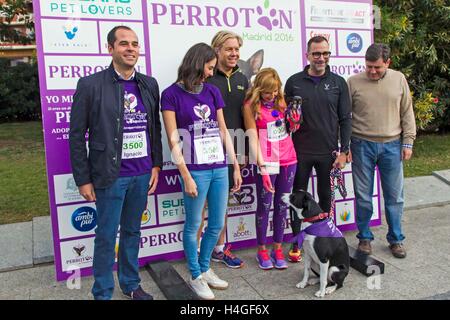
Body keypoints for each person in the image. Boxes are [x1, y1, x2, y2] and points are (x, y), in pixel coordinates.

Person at [69, 26, 162, 300]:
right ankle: (103, 292)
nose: (131, 48)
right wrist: (83, 178)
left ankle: (131, 284)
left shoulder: (149, 83)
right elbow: (76, 136)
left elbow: (153, 127)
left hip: (142, 173)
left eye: (135, 44)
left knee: (133, 231)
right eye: (124, 44)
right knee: (107, 236)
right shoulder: (90, 85)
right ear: (110, 48)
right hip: (110, 176)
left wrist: (155, 164)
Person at [161, 42, 242, 300]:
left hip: (219, 166)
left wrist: (235, 163)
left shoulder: (212, 91)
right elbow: (173, 139)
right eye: (208, 68)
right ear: (197, 64)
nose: (210, 73)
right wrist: (185, 174)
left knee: (217, 223)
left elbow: (222, 130)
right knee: (194, 223)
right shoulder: (171, 94)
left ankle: (205, 268)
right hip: (194, 169)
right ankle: (195, 275)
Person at [284, 36, 352, 263]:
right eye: (316, 54)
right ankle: (297, 243)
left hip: (329, 153)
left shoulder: (338, 82)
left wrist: (344, 151)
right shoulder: (294, 82)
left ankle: (324, 240)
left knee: (325, 199)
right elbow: (285, 121)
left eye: (325, 53)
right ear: (307, 55)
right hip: (299, 152)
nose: (321, 58)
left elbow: (345, 119)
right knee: (297, 199)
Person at [347, 43, 416, 258]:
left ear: (388, 63)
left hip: (393, 146)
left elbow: (407, 111)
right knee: (363, 196)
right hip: (361, 145)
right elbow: (345, 117)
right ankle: (365, 238)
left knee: (395, 197)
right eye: (369, 67)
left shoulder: (399, 79)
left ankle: (396, 239)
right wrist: (345, 146)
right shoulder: (353, 82)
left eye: (377, 67)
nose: (372, 71)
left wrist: (408, 141)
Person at [195, 30, 250, 269]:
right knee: (199, 205)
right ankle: (196, 252)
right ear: (216, 49)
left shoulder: (243, 79)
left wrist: (245, 150)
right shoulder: (205, 76)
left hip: (234, 149)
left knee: (221, 204)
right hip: (204, 150)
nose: (234, 53)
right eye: (229, 49)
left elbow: (247, 117)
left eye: (237, 49)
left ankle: (219, 248)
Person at [242, 68, 297, 270]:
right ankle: (262, 249)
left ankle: (278, 247)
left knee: (282, 206)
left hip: (289, 159)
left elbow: (289, 129)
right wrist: (262, 167)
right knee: (264, 206)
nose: (271, 95)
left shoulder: (281, 102)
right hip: (267, 161)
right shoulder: (250, 106)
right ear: (258, 89)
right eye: (267, 92)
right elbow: (252, 136)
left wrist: (294, 119)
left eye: (275, 91)